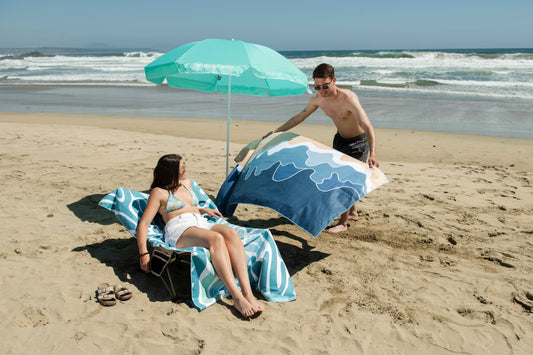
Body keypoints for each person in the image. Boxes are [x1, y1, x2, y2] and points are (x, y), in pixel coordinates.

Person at [136, 154, 263, 317]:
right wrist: (143, 253)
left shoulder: (188, 183)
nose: (185, 169)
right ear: (170, 172)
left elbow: (188, 206)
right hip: (179, 228)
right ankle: (237, 297)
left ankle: (248, 294)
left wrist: (203, 210)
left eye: (184, 165)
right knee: (216, 239)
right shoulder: (159, 192)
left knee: (231, 233)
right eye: (182, 167)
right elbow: (144, 224)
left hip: (200, 222)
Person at [266, 63, 379, 233]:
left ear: (333, 80)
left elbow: (367, 125)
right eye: (317, 86)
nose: (321, 90)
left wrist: (373, 153)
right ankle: (353, 212)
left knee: (346, 180)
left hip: (358, 143)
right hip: (340, 140)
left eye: (325, 86)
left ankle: (343, 223)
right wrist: (277, 131)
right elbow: (300, 117)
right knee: (341, 175)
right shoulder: (318, 99)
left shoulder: (348, 99)